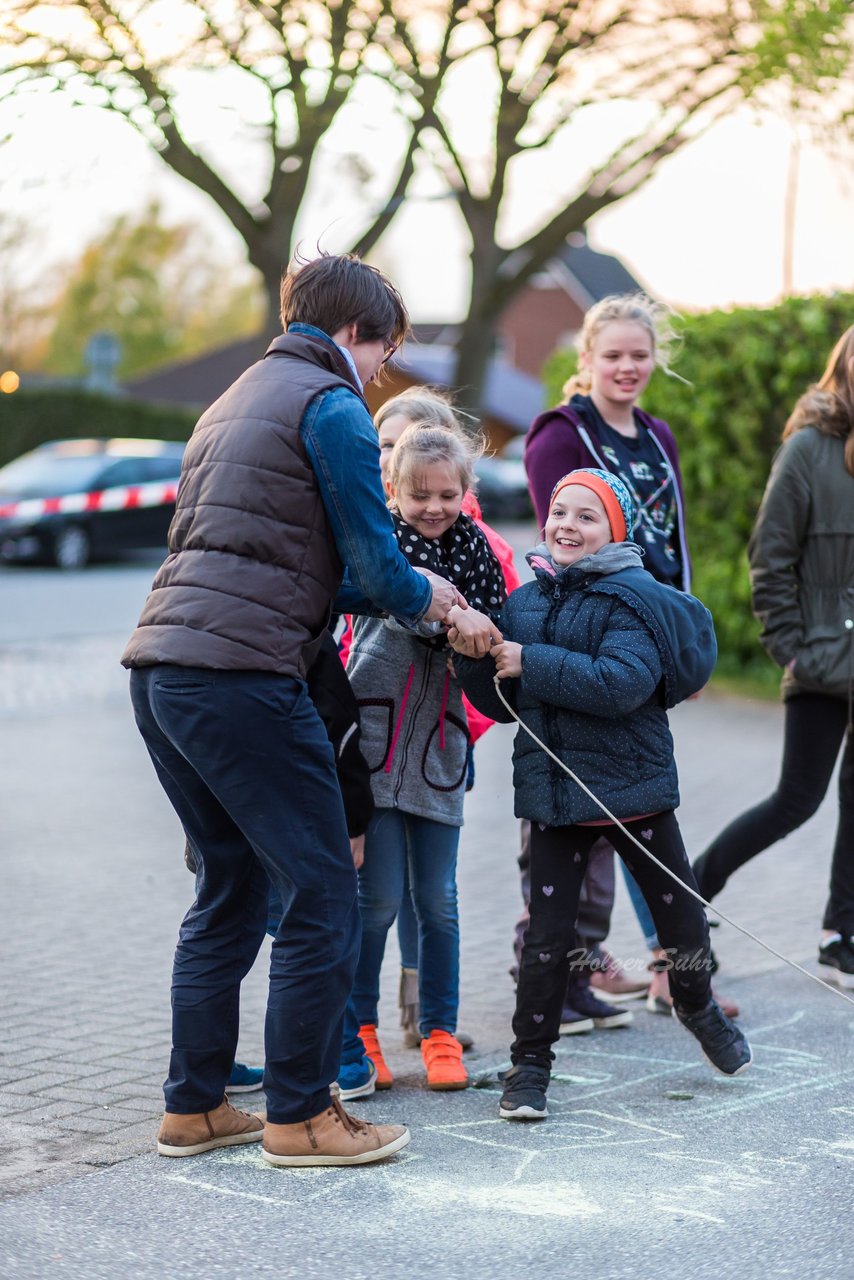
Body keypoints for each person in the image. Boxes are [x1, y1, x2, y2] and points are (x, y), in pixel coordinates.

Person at [122, 252, 497, 1169]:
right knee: (325, 889)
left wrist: (407, 592)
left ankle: (196, 1106)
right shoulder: (327, 402)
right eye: (384, 353)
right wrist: (438, 600)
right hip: (244, 677)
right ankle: (301, 1115)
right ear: (358, 333)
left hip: (163, 667)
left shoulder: (232, 400)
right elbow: (370, 562)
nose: (380, 375)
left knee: (231, 887)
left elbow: (273, 556)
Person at [450, 468, 752, 1120]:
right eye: (560, 511)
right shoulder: (525, 602)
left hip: (633, 790)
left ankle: (695, 1003)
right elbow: (501, 705)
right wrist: (473, 657)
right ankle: (529, 1064)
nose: (567, 525)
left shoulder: (631, 600)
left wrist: (533, 662)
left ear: (613, 530)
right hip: (556, 798)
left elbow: (621, 683)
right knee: (547, 937)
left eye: (586, 516)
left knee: (681, 918)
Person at [523, 292, 736, 1021]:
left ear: (655, 360)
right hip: (583, 646)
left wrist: (681, 646)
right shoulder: (562, 433)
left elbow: (672, 543)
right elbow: (562, 545)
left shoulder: (658, 435)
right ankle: (567, 979)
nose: (627, 366)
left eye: (639, 355)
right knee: (575, 824)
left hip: (646, 641)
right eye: (611, 354)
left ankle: (668, 971)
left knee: (643, 809)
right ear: (587, 359)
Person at [338, 424, 506, 1095]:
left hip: (439, 755)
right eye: (419, 494)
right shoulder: (376, 551)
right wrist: (448, 619)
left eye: (447, 494)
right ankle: (361, 1031)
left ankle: (440, 1032)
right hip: (375, 760)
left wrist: (483, 632)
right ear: (393, 490)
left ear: (466, 492)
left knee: (438, 902)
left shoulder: (478, 556)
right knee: (374, 902)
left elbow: (494, 628)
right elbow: (402, 606)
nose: (434, 507)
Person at [692, 326, 854, 987]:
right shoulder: (809, 450)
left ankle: (840, 934)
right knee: (797, 800)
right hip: (821, 660)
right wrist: (792, 646)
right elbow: (770, 558)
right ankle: (689, 893)